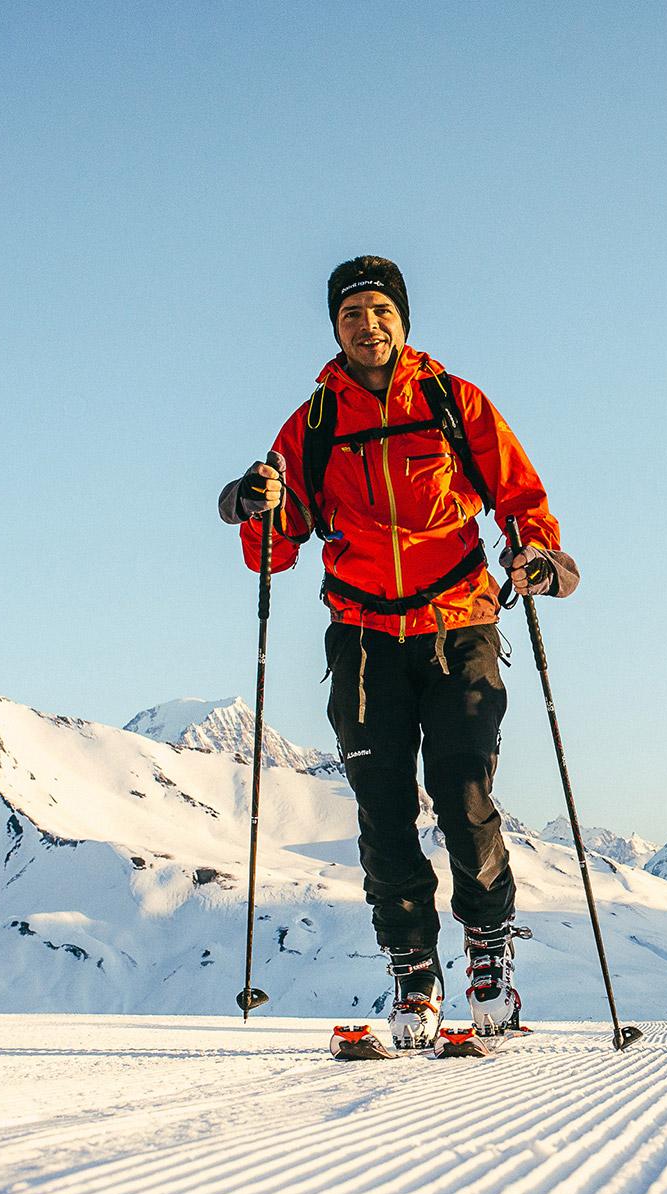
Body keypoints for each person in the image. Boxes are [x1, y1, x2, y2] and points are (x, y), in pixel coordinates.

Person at [220, 256, 578, 1049]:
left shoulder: (455, 404)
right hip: (362, 639)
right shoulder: (313, 425)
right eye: (351, 315)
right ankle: (414, 977)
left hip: (458, 629)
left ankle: (488, 961)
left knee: (463, 796)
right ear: (336, 330)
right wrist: (256, 504)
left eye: (380, 310)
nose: (367, 325)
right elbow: (274, 548)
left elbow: (522, 501)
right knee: (383, 813)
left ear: (403, 321)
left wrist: (539, 558)